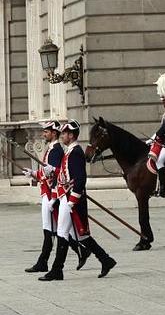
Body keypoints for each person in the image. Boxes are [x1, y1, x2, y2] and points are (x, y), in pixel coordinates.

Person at [39, 120, 116, 281]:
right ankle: (106, 260)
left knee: (62, 233)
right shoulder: (70, 151)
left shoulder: (75, 152)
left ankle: (57, 270)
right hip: (65, 196)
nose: (62, 136)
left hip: (71, 199)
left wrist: (72, 201)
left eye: (65, 134)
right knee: (81, 237)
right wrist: (52, 171)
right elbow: (65, 174)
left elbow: (80, 179)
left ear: (71, 135)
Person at [22, 121, 89, 273]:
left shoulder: (58, 150)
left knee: (55, 230)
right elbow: (49, 173)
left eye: (46, 132)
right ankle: (80, 252)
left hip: (55, 193)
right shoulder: (53, 149)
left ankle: (47, 263)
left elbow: (57, 174)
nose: (43, 134)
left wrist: (56, 197)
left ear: (54, 133)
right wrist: (34, 174)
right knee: (55, 230)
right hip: (51, 192)